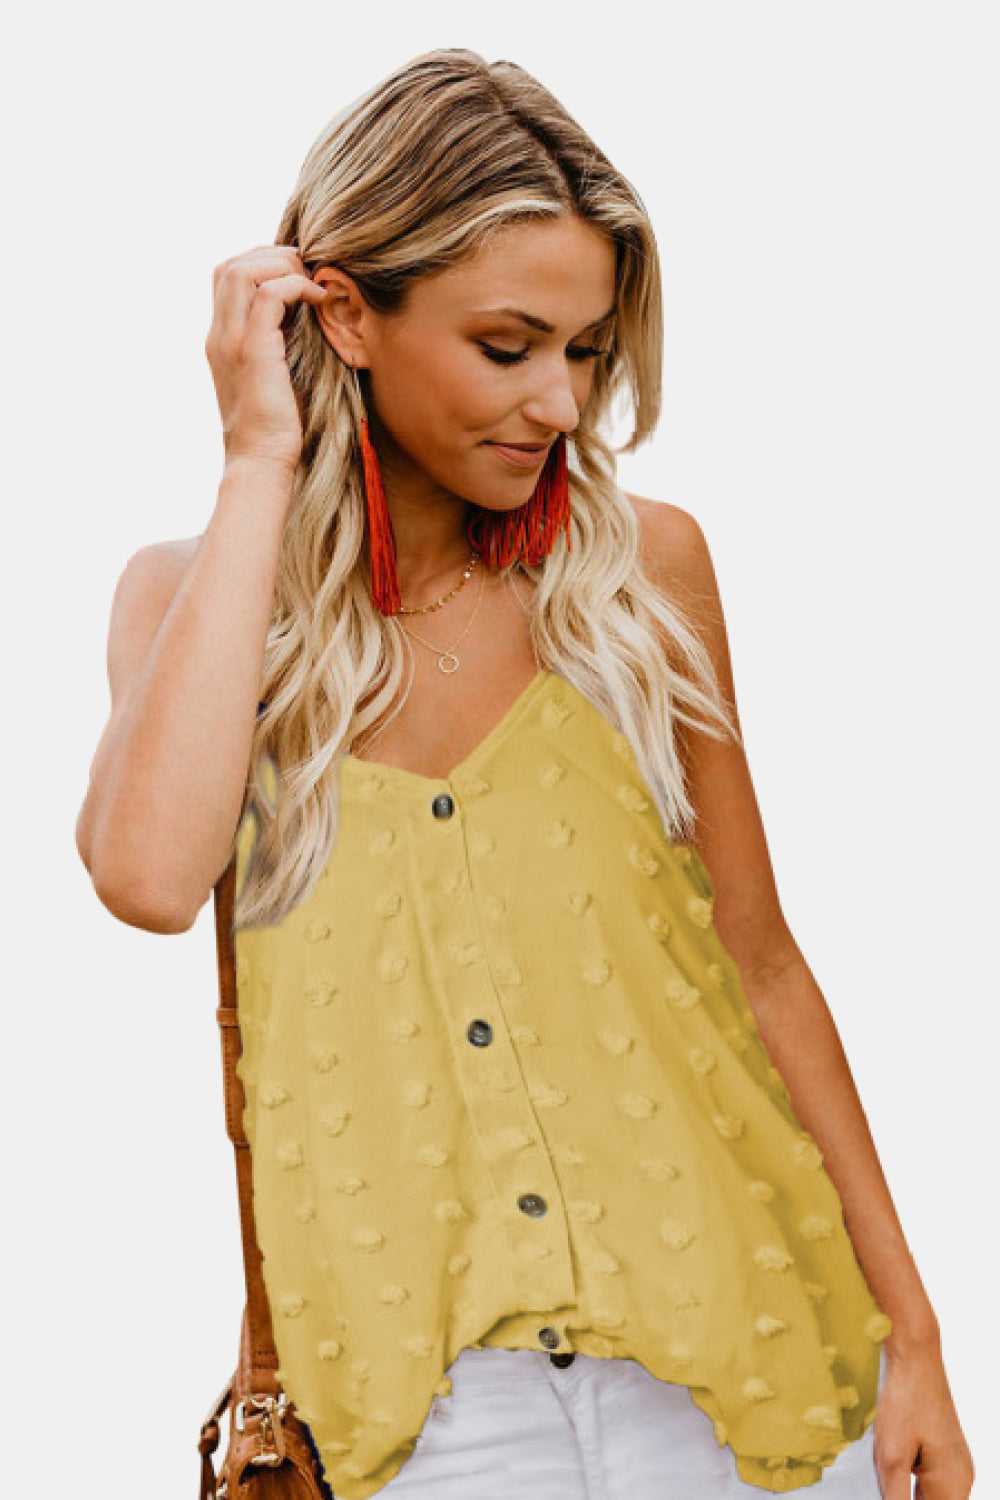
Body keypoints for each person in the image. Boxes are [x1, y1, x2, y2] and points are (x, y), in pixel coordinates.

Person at [76, 46, 973, 1500]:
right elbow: (146, 878)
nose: (561, 402)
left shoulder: (645, 575)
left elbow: (761, 964)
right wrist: (255, 460)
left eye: (590, 352)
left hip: (741, 1367)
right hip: (416, 1417)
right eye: (510, 348)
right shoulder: (194, 605)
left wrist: (916, 1337)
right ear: (348, 315)